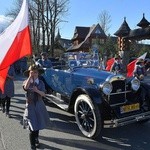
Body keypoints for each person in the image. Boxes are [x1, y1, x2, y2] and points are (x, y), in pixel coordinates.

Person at [23, 64, 50, 150]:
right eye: (31, 72)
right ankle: (32, 146)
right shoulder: (27, 81)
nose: (33, 74)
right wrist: (29, 78)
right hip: (30, 106)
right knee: (32, 126)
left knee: (37, 124)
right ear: (29, 73)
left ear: (38, 73)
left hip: (39, 105)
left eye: (35, 72)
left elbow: (43, 94)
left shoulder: (41, 83)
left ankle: (36, 138)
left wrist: (37, 90)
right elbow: (25, 88)